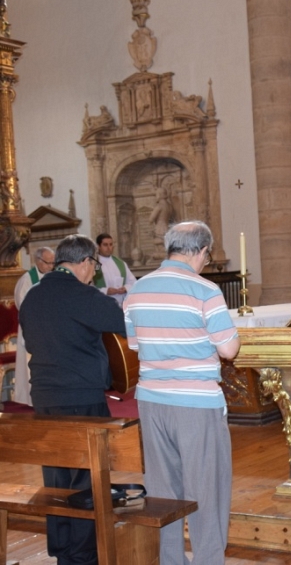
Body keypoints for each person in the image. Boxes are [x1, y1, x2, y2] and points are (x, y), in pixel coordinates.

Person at [123, 221, 240, 565]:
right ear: (202, 250)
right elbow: (230, 350)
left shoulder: (138, 289)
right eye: (207, 255)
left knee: (162, 491)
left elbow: (134, 344)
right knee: (207, 488)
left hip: (151, 400)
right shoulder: (204, 290)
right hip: (196, 403)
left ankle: (171, 561)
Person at [19, 234, 127, 565]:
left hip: (45, 398)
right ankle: (82, 556)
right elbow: (119, 320)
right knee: (86, 481)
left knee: (56, 479)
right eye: (93, 265)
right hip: (80, 396)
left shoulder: (34, 297)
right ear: (82, 262)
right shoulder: (81, 295)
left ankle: (62, 550)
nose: (93, 273)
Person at [13, 246, 55, 405]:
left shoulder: (52, 278)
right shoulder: (27, 280)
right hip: (32, 329)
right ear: (37, 261)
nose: (51, 266)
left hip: (49, 328)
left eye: (53, 263)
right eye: (47, 263)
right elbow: (22, 305)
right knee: (31, 366)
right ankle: (32, 400)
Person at [93, 233, 137, 307]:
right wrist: (106, 291)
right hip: (102, 304)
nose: (109, 247)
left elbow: (133, 282)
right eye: (105, 245)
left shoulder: (120, 263)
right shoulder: (95, 263)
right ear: (98, 246)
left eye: (111, 244)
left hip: (120, 305)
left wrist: (125, 288)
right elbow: (89, 285)